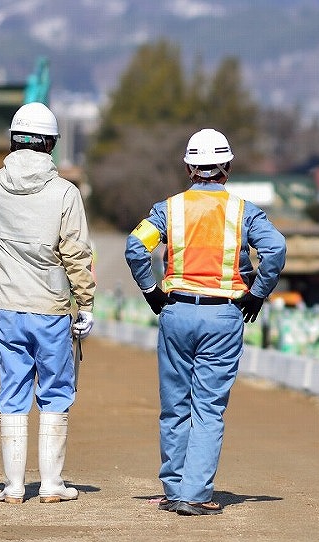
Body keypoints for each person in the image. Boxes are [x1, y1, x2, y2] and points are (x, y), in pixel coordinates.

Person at [125, 128, 286, 516]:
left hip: (176, 312)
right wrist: (257, 293)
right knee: (208, 408)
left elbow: (135, 247)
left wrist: (150, 290)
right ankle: (195, 494)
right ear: (227, 167)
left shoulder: (168, 210)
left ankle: (174, 489)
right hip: (223, 315)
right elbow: (276, 248)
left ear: (189, 168)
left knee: (175, 406)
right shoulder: (244, 211)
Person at [0, 103, 96, 504]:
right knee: (56, 391)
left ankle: (14, 486)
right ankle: (51, 484)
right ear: (51, 144)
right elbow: (76, 254)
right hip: (50, 310)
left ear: (14, 141)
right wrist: (85, 303)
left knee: (13, 391)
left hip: (6, 310)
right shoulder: (65, 193)